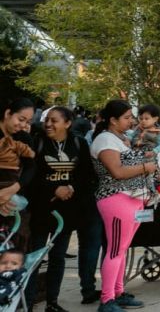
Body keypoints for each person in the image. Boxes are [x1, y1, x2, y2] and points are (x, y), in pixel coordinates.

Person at [27, 106, 102, 312]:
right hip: (41, 210)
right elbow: (31, 175)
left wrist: (70, 187)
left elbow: (87, 175)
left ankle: (52, 302)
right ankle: (28, 304)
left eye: (54, 121)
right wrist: (53, 188)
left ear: (67, 123)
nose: (48, 124)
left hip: (67, 211)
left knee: (58, 258)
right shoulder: (38, 142)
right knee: (34, 258)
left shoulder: (79, 143)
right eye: (47, 120)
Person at [90, 99, 155, 312]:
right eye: (127, 117)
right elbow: (117, 171)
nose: (131, 121)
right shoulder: (105, 140)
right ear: (113, 120)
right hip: (116, 199)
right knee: (116, 250)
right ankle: (107, 300)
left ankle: (118, 292)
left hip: (133, 199)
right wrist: (145, 167)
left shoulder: (121, 139)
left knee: (122, 249)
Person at [0, 98, 35, 218]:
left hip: (10, 197)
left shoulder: (24, 138)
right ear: (7, 113)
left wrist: (12, 190)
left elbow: (31, 167)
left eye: (28, 122)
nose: (23, 125)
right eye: (21, 119)